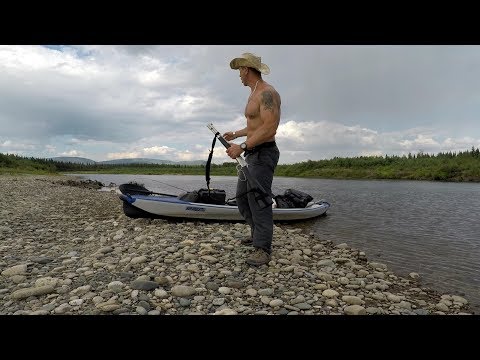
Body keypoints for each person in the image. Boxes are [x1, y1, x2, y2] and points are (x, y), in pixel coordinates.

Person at [223, 52, 281, 266]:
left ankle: (263, 249)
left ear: (247, 69)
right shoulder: (254, 92)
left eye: (240, 70)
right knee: (242, 198)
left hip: (263, 152)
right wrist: (236, 134)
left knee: (259, 200)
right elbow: (254, 125)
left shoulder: (267, 93)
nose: (239, 75)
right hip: (252, 153)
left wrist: (242, 146)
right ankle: (257, 235)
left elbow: (269, 128)